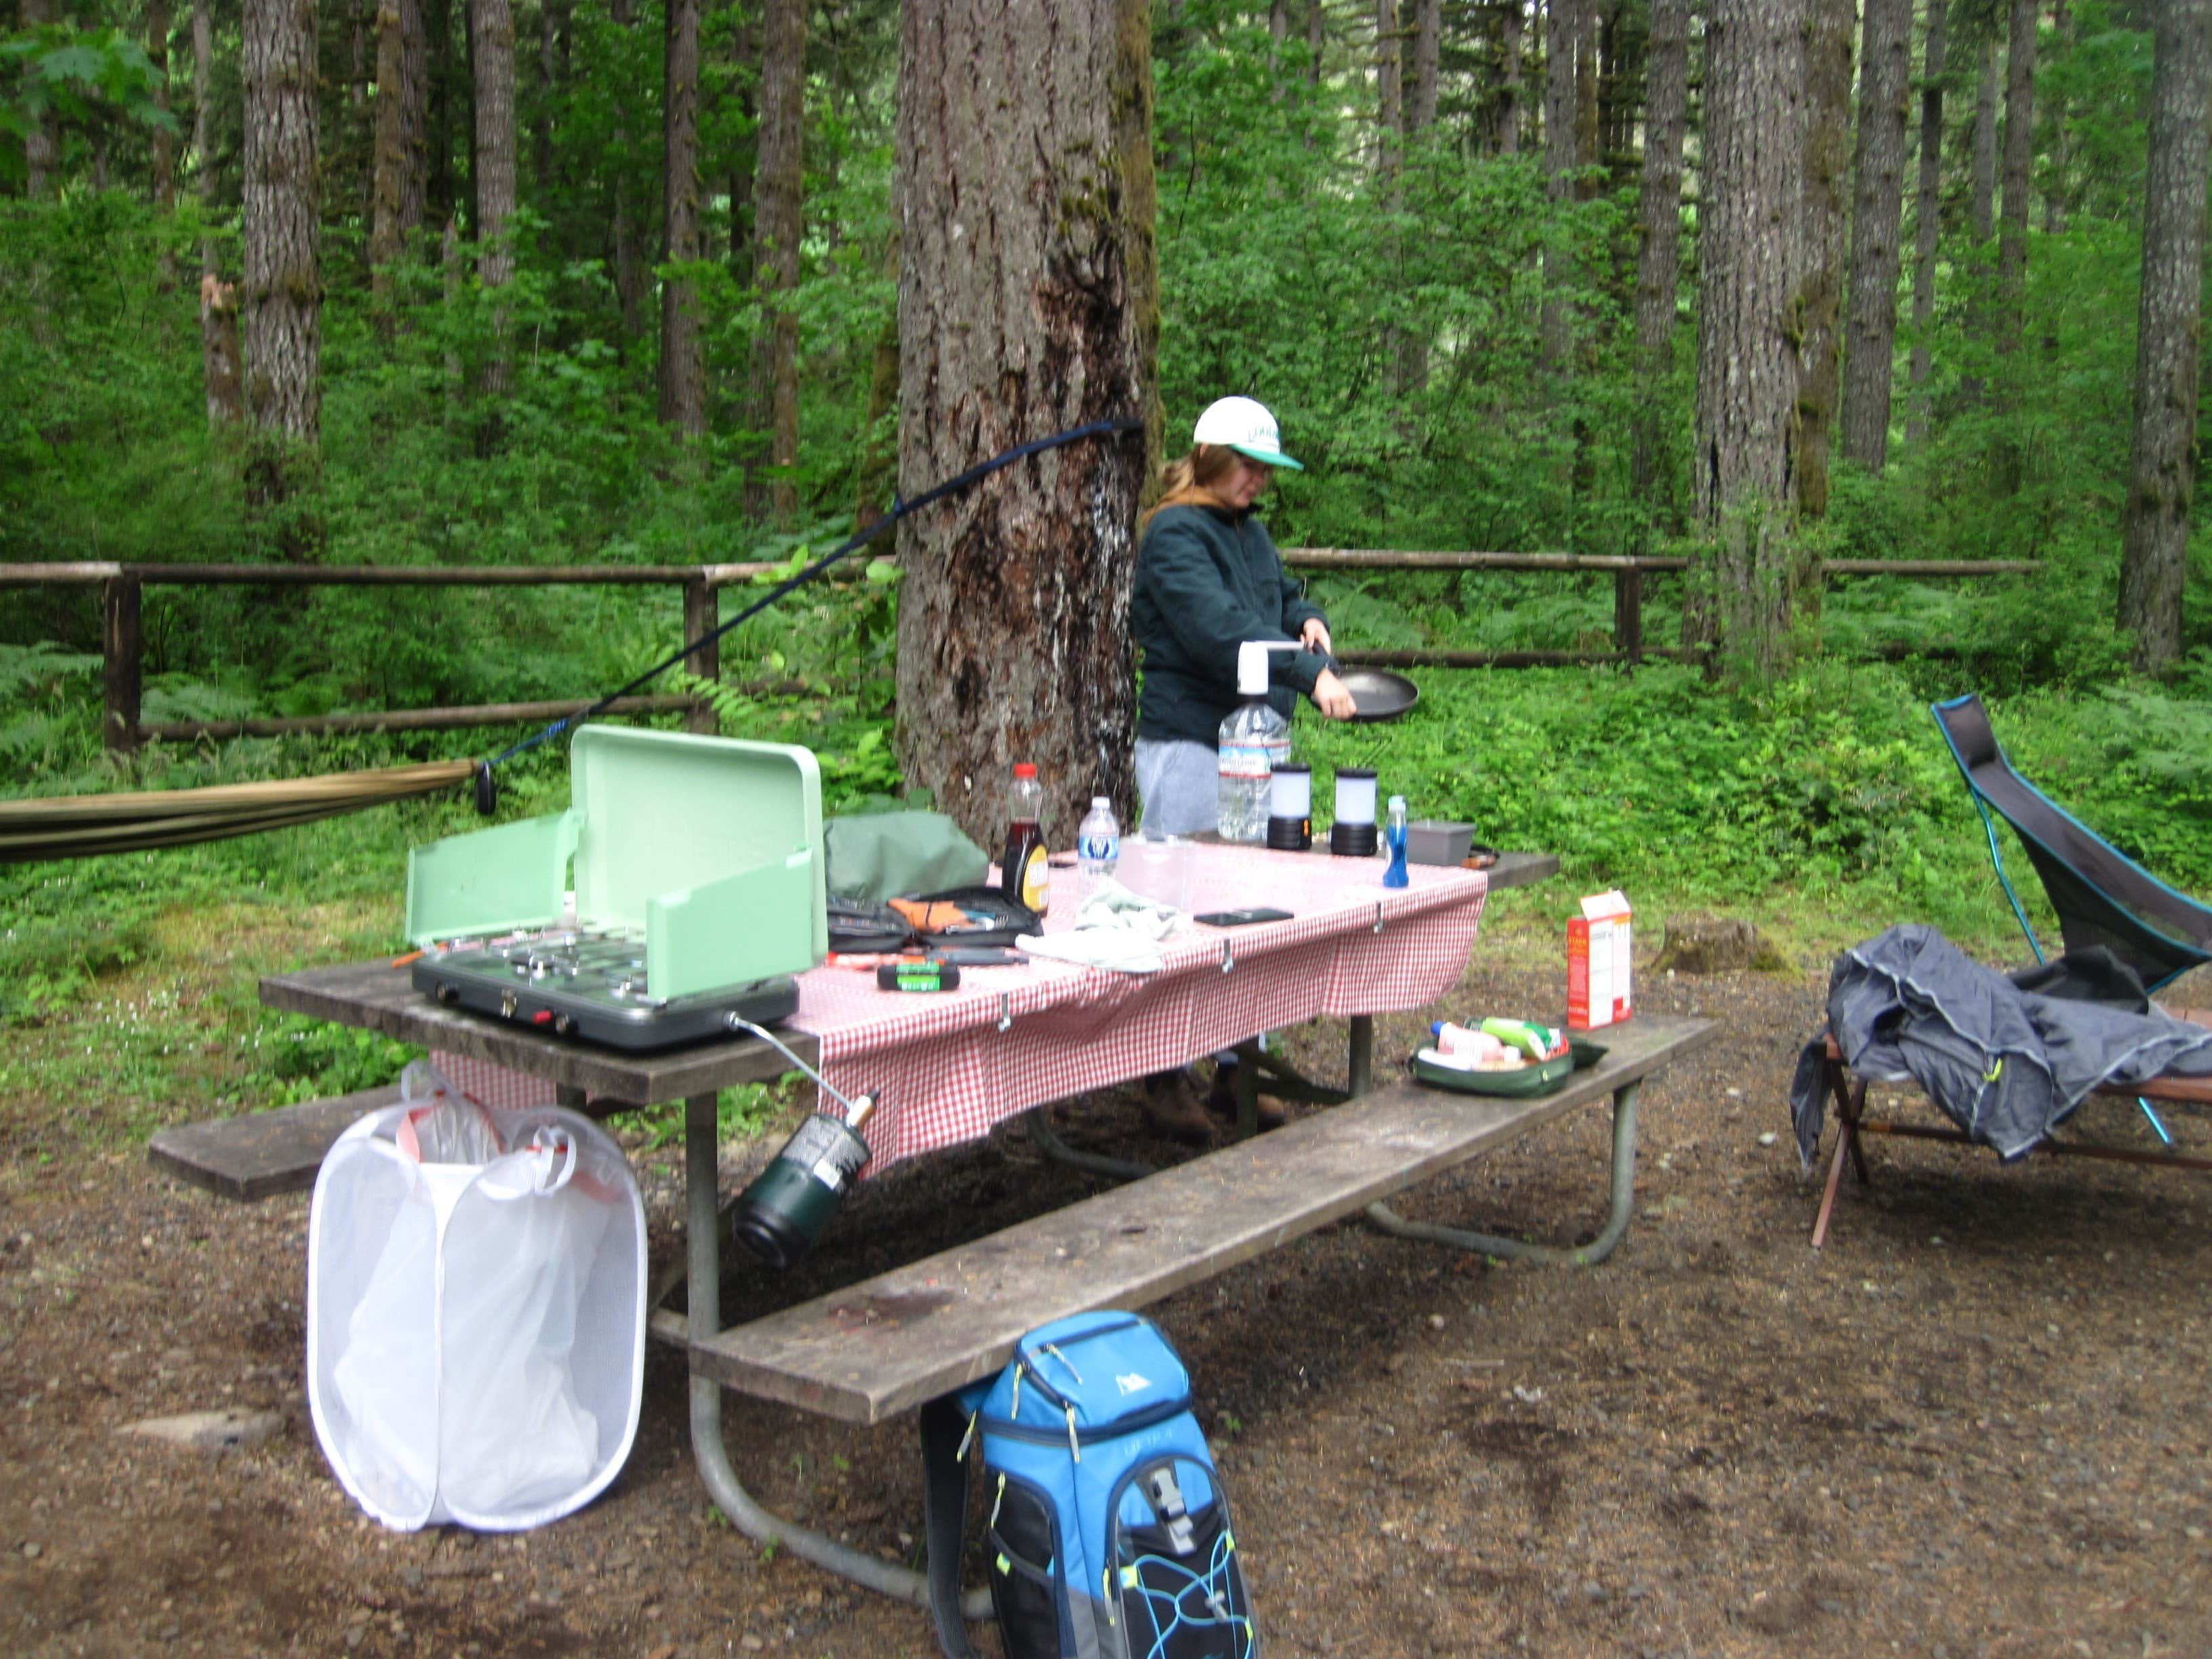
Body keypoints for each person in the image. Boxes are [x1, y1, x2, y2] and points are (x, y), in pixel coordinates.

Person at [1128, 395, 1357, 1141]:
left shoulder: (1247, 531)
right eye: (1249, 465)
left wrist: (1305, 616)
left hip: (1255, 751)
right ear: (1211, 459)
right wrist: (1309, 674)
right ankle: (1163, 1076)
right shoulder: (1173, 535)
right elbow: (1217, 629)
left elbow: (1275, 595)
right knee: (1181, 914)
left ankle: (1237, 1067)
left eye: (1267, 468)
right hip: (1191, 744)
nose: (1260, 479)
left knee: (1253, 910)